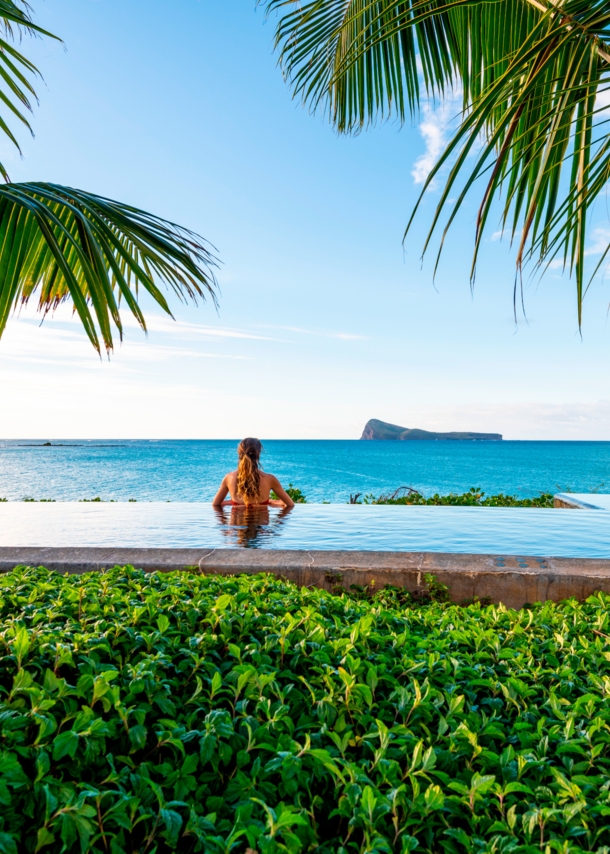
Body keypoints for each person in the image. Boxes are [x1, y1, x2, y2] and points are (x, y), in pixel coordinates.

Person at [212, 438, 295, 508]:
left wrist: (236, 503)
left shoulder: (229, 478)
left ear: (239, 453)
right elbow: (289, 504)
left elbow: (215, 504)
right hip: (262, 527)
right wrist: (268, 502)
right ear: (258, 454)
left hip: (236, 527)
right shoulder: (270, 479)